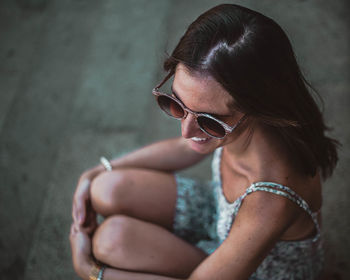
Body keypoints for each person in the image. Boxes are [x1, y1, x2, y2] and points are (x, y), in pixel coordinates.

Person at [70, 4, 339, 280]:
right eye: (175, 103)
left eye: (210, 121)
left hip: (256, 272)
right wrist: (97, 171)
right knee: (105, 187)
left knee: (109, 242)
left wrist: (91, 272)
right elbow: (185, 147)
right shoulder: (245, 125)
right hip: (220, 214)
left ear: (259, 108)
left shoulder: (271, 199)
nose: (186, 130)